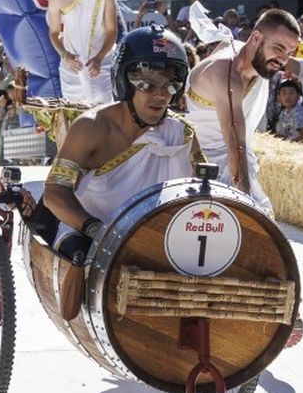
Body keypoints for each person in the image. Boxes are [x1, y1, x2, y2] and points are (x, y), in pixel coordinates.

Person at [43, 26, 204, 266]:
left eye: (171, 85)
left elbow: (204, 193)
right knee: (77, 257)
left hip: (158, 239)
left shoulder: (182, 133)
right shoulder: (90, 127)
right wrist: (96, 229)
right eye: (148, 85)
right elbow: (55, 194)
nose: (161, 95)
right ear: (124, 83)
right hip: (89, 232)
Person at [186, 8, 303, 215]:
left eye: (289, 53)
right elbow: (235, 148)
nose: (283, 59)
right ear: (256, 37)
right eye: (278, 48)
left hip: (234, 156)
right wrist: (247, 206)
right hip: (199, 165)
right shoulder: (226, 74)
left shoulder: (253, 59)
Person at [45, 0, 119, 104]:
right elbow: (54, 33)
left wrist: (99, 58)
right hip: (72, 65)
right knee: (73, 112)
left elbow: (112, 31)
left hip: (100, 61)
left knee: (102, 108)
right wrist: (65, 55)